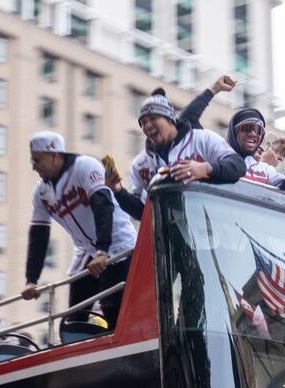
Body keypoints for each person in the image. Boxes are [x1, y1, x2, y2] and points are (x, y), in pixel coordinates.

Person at [20, 132, 141, 332]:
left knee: (112, 306)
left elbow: (103, 206)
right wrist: (31, 279)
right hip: (87, 251)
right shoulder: (41, 192)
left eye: (37, 160)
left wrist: (103, 250)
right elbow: (39, 235)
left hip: (117, 242)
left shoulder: (84, 166)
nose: (33, 166)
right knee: (74, 318)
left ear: (54, 155)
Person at [110, 81, 246, 222]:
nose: (147, 125)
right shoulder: (140, 164)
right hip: (170, 238)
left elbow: (238, 165)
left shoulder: (202, 139)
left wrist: (205, 168)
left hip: (212, 225)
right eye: (143, 122)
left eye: (153, 118)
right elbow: (143, 214)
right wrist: (118, 191)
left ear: (170, 118)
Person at [226, 108, 285, 192]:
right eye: (247, 128)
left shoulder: (265, 169)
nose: (253, 134)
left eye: (259, 130)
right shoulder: (217, 155)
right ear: (233, 132)